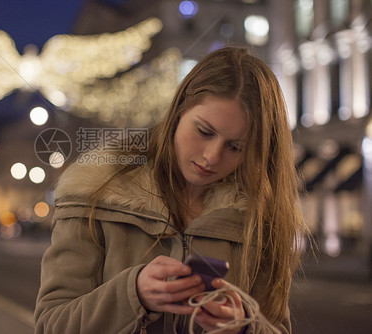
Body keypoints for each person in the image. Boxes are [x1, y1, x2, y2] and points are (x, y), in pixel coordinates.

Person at [35, 46, 308, 333]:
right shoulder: (96, 191)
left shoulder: (259, 217)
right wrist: (134, 293)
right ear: (178, 112)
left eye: (235, 146)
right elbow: (51, 324)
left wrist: (242, 327)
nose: (212, 156)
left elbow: (277, 326)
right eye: (204, 131)